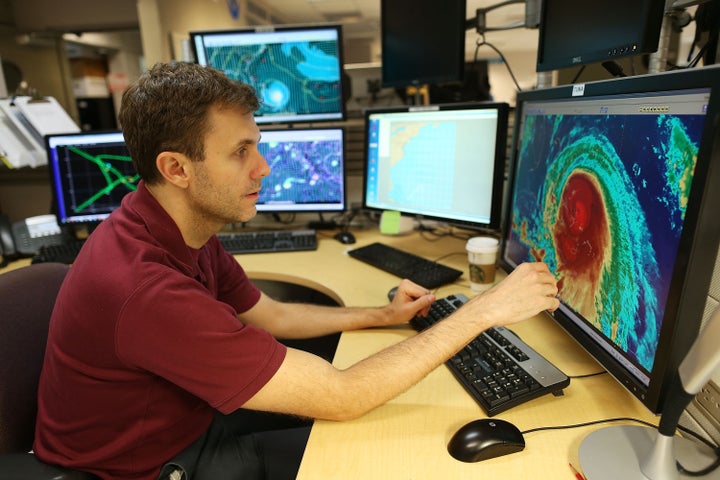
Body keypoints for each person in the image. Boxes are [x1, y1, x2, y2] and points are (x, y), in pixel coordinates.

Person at [34, 61, 559, 480]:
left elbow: (272, 315)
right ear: (177, 169)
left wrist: (383, 315)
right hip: (145, 468)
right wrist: (484, 312)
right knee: (373, 457)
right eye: (241, 152)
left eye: (256, 146)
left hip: (182, 424)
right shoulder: (145, 287)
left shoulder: (176, 227)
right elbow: (344, 395)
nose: (263, 168)